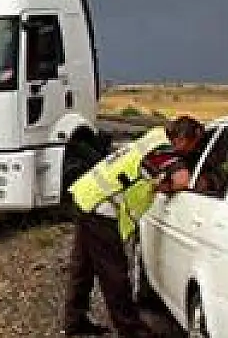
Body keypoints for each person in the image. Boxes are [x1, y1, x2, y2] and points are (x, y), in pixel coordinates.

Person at [62, 127, 176, 337]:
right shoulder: (162, 150)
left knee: (83, 268)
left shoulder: (152, 138)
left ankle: (74, 321)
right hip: (101, 209)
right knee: (114, 273)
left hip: (87, 197)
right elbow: (180, 180)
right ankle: (130, 329)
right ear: (184, 138)